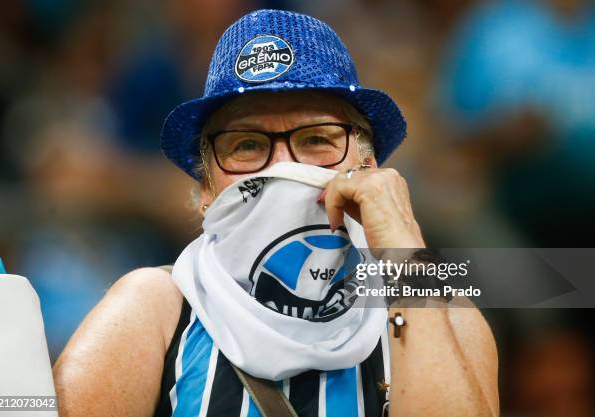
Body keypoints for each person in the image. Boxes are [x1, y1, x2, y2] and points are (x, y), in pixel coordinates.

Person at [53, 9, 498, 417]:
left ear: (368, 167)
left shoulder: (443, 309)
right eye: (246, 145)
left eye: (317, 140)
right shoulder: (155, 308)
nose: (284, 168)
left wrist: (402, 247)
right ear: (206, 189)